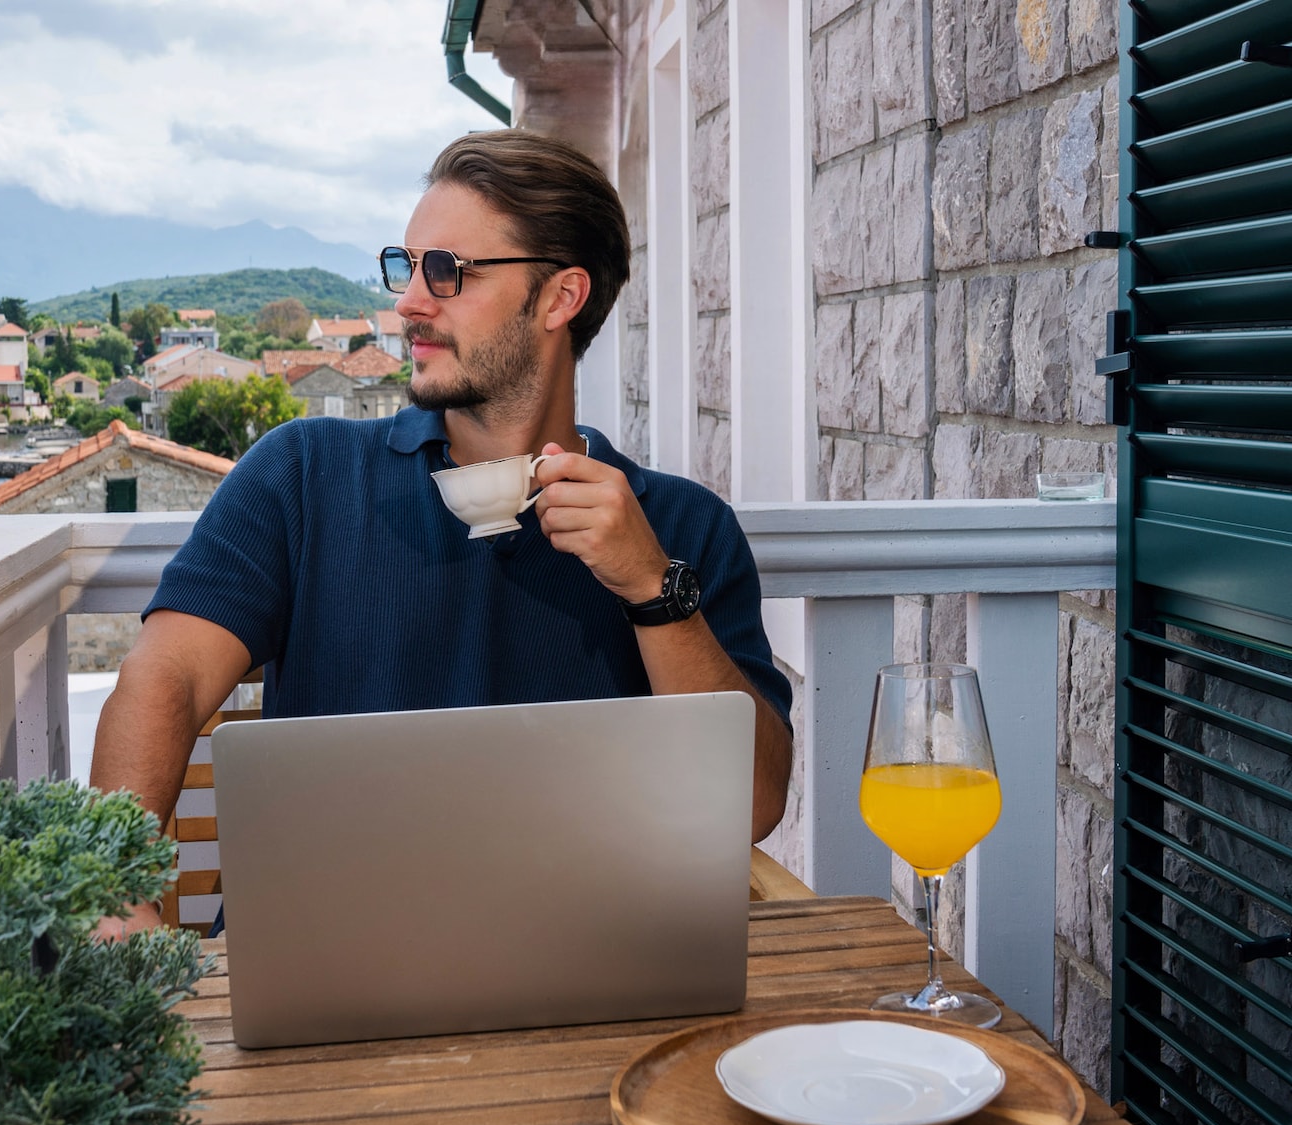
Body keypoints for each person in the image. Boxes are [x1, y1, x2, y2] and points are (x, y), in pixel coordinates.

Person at [91, 129, 794, 936]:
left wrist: (651, 588)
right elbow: (165, 676)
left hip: (592, 980)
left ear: (561, 298)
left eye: (448, 273)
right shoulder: (305, 474)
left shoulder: (680, 527)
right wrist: (114, 888)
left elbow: (754, 804)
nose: (409, 303)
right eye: (407, 265)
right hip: (322, 969)